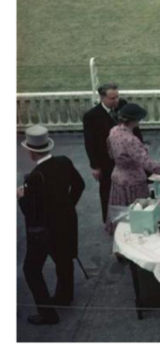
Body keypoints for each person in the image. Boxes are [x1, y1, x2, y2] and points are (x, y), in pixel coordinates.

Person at [17, 126, 85, 325]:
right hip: (65, 222)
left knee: (31, 270)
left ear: (31, 152)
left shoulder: (35, 177)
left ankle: (47, 314)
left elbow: (31, 211)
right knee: (63, 260)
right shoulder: (64, 161)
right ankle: (64, 296)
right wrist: (67, 205)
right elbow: (79, 185)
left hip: (44, 232)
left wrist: (21, 197)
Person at [106, 103, 160, 233]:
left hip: (117, 176)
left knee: (122, 216)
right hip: (133, 181)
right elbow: (149, 165)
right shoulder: (131, 140)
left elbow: (110, 152)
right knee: (139, 215)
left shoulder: (114, 130)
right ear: (134, 120)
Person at [83, 82, 140, 223]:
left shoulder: (123, 105)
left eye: (117, 97)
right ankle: (109, 220)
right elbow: (89, 142)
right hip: (105, 160)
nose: (116, 101)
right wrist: (94, 166)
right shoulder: (91, 116)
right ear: (102, 98)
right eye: (112, 98)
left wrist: (141, 147)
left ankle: (132, 216)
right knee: (107, 190)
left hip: (128, 158)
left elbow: (136, 129)